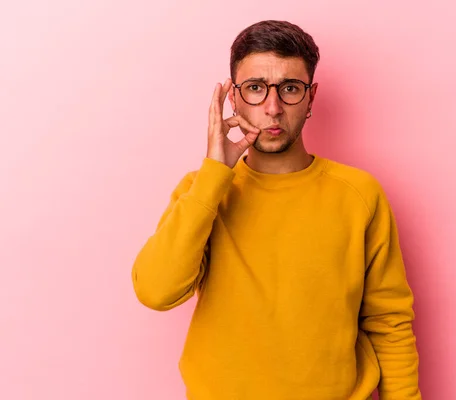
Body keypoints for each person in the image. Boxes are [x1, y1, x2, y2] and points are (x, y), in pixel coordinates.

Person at [132, 19, 421, 400]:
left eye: (289, 89)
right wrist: (214, 174)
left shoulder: (359, 195)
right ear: (232, 98)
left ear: (311, 97)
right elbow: (156, 291)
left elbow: (389, 322)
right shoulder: (201, 191)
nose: (273, 108)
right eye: (255, 88)